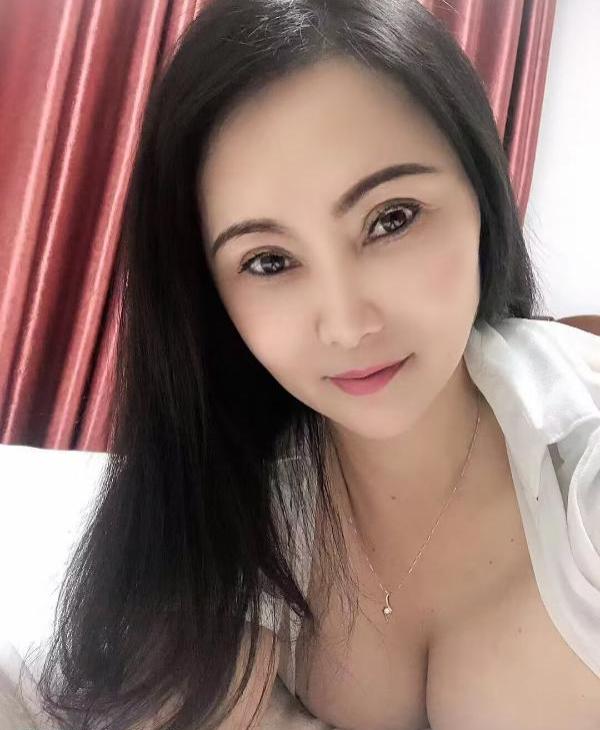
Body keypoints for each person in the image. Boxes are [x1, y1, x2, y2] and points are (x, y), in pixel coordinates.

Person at [11, 1, 599, 729]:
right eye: (268, 261)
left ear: (482, 193)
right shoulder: (225, 501)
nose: (348, 324)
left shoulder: (583, 472)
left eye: (391, 218)